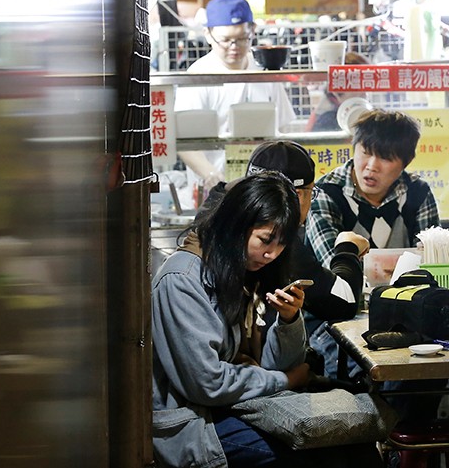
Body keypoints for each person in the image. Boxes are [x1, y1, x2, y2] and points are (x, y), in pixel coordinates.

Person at [151, 172, 382, 468]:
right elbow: (207, 384)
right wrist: (286, 379)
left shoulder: (238, 272)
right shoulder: (182, 280)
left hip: (233, 406)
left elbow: (276, 365)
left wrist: (288, 320)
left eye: (282, 244)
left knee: (356, 444)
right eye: (265, 239)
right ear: (237, 224)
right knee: (324, 454)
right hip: (194, 423)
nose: (272, 253)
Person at [198, 140, 372, 379]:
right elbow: (343, 302)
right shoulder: (272, 237)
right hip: (238, 383)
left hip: (250, 372)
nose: (271, 253)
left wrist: (289, 318)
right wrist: (347, 248)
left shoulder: (217, 211)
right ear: (296, 195)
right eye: (312, 192)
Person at [174, 0, 297, 188]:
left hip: (263, 187)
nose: (234, 47)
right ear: (208, 34)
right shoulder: (198, 77)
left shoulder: (263, 72)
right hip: (213, 190)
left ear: (253, 30)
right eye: (226, 40)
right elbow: (184, 141)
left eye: (242, 39)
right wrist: (212, 175)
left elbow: (285, 129)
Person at [305, 108, 439, 268]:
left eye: (385, 158)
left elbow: (431, 263)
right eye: (366, 153)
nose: (372, 166)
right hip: (341, 292)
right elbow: (335, 267)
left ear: (406, 162)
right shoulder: (326, 193)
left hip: (408, 291)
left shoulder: (418, 193)